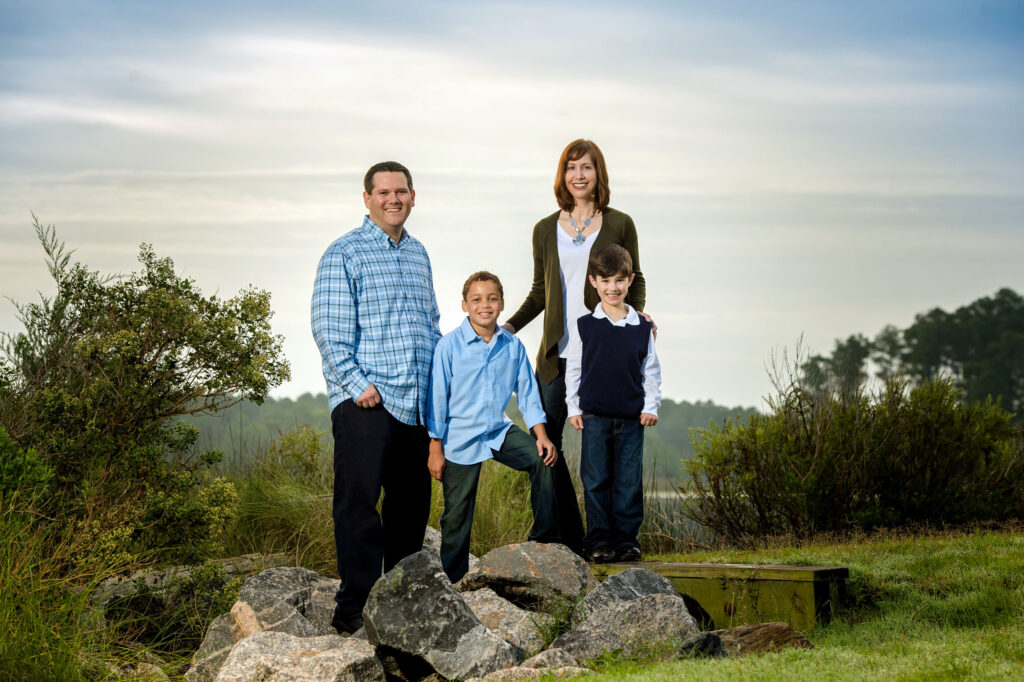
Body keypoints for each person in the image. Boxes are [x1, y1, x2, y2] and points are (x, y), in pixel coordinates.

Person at [311, 161, 441, 634]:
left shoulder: (419, 254)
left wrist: (438, 389)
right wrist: (356, 384)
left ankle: (398, 607)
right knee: (359, 504)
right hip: (366, 400)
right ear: (366, 199)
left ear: (413, 197)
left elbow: (431, 324)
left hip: (414, 402)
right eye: (383, 192)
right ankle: (354, 610)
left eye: (400, 191)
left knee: (410, 507)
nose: (393, 199)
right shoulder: (344, 252)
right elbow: (327, 328)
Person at [503, 139, 647, 556]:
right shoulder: (544, 229)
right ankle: (563, 534)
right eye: (571, 167)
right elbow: (540, 292)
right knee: (544, 441)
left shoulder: (620, 223)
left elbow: (635, 280)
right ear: (562, 175)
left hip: (603, 356)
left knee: (609, 447)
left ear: (598, 173)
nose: (578, 175)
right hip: (556, 355)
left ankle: (615, 537)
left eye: (586, 167)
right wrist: (507, 327)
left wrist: (636, 322)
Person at [427, 271, 561, 582]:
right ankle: (453, 581)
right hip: (460, 437)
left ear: (501, 304)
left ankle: (543, 542)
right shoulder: (449, 346)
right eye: (476, 299)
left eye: (491, 299)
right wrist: (435, 447)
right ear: (464, 305)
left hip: (498, 431)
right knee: (457, 515)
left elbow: (528, 394)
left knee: (542, 459)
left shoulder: (512, 346)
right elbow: (437, 398)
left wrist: (541, 436)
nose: (484, 305)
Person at [565, 244, 661, 563]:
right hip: (594, 416)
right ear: (594, 281)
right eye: (605, 281)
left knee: (628, 481)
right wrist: (573, 407)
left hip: (632, 419)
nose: (613, 288)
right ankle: (599, 540)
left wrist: (651, 407)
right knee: (595, 480)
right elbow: (575, 368)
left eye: (619, 280)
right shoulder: (585, 326)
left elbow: (651, 371)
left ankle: (626, 540)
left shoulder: (642, 328)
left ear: (630, 280)